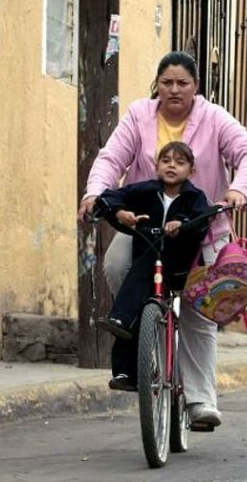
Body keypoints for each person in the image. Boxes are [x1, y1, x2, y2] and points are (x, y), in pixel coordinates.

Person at [78, 51, 247, 428]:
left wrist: (239, 191)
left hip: (202, 230)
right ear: (157, 86)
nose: (174, 90)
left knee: (198, 311)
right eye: (167, 83)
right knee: (117, 267)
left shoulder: (214, 118)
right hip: (148, 230)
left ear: (196, 87)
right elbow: (111, 159)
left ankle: (200, 401)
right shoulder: (138, 115)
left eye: (182, 83)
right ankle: (149, 335)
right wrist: (94, 193)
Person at [95, 141, 210, 393]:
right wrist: (120, 212)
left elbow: (204, 219)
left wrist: (182, 223)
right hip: (147, 272)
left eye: (180, 162)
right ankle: (127, 373)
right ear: (155, 165)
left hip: (178, 270)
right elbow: (109, 197)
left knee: (141, 271)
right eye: (166, 160)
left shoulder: (195, 197)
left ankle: (120, 317)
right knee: (139, 307)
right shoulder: (145, 191)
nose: (172, 166)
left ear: (191, 170)